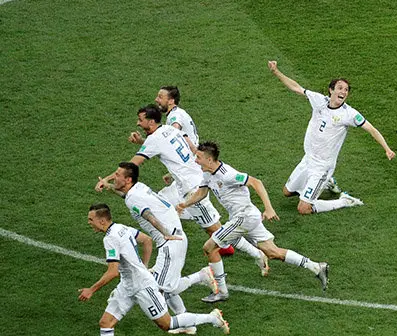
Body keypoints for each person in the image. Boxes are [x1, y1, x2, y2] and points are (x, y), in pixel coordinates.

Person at [95, 105, 268, 302]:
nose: (138, 123)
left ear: (151, 121)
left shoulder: (155, 140)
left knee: (215, 232)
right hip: (182, 185)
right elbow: (169, 148)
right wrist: (146, 145)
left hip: (193, 189)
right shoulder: (169, 129)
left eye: (141, 120)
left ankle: (247, 262)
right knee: (161, 206)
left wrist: (106, 180)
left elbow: (130, 166)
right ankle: (166, 248)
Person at [177, 142, 331, 296]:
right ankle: (316, 267)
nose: (195, 160)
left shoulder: (227, 175)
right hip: (246, 217)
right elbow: (201, 193)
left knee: (208, 247)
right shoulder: (207, 173)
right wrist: (184, 205)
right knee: (272, 252)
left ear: (209, 160)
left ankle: (221, 292)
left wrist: (269, 208)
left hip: (243, 217)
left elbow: (256, 182)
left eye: (198, 157)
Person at [78, 203, 229, 335]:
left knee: (167, 324)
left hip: (143, 287)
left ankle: (212, 318)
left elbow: (113, 271)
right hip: (127, 285)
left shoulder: (110, 239)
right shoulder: (121, 228)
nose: (88, 222)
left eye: (91, 219)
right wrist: (143, 266)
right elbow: (146, 240)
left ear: (102, 220)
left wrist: (91, 290)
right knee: (106, 323)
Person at [268, 61, 395, 214]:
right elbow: (296, 87)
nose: (344, 92)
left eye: (346, 90)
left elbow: (371, 129)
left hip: (322, 166)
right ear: (331, 90)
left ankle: (344, 201)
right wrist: (276, 71)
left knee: (304, 208)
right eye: (340, 88)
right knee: (287, 192)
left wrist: (387, 149)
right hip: (308, 160)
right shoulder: (319, 101)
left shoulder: (349, 114)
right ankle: (327, 183)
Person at [107, 162, 220, 323]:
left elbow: (148, 215)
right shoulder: (138, 188)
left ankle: (202, 280)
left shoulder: (133, 198)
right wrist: (109, 186)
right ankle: (185, 320)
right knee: (166, 286)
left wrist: (165, 234)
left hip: (170, 242)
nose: (114, 177)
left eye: (117, 175)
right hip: (176, 238)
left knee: (159, 290)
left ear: (128, 180)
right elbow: (127, 196)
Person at [155, 86, 199, 151]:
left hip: (189, 155)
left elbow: (174, 131)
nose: (156, 99)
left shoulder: (175, 115)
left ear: (171, 101)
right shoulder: (177, 112)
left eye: (160, 97)